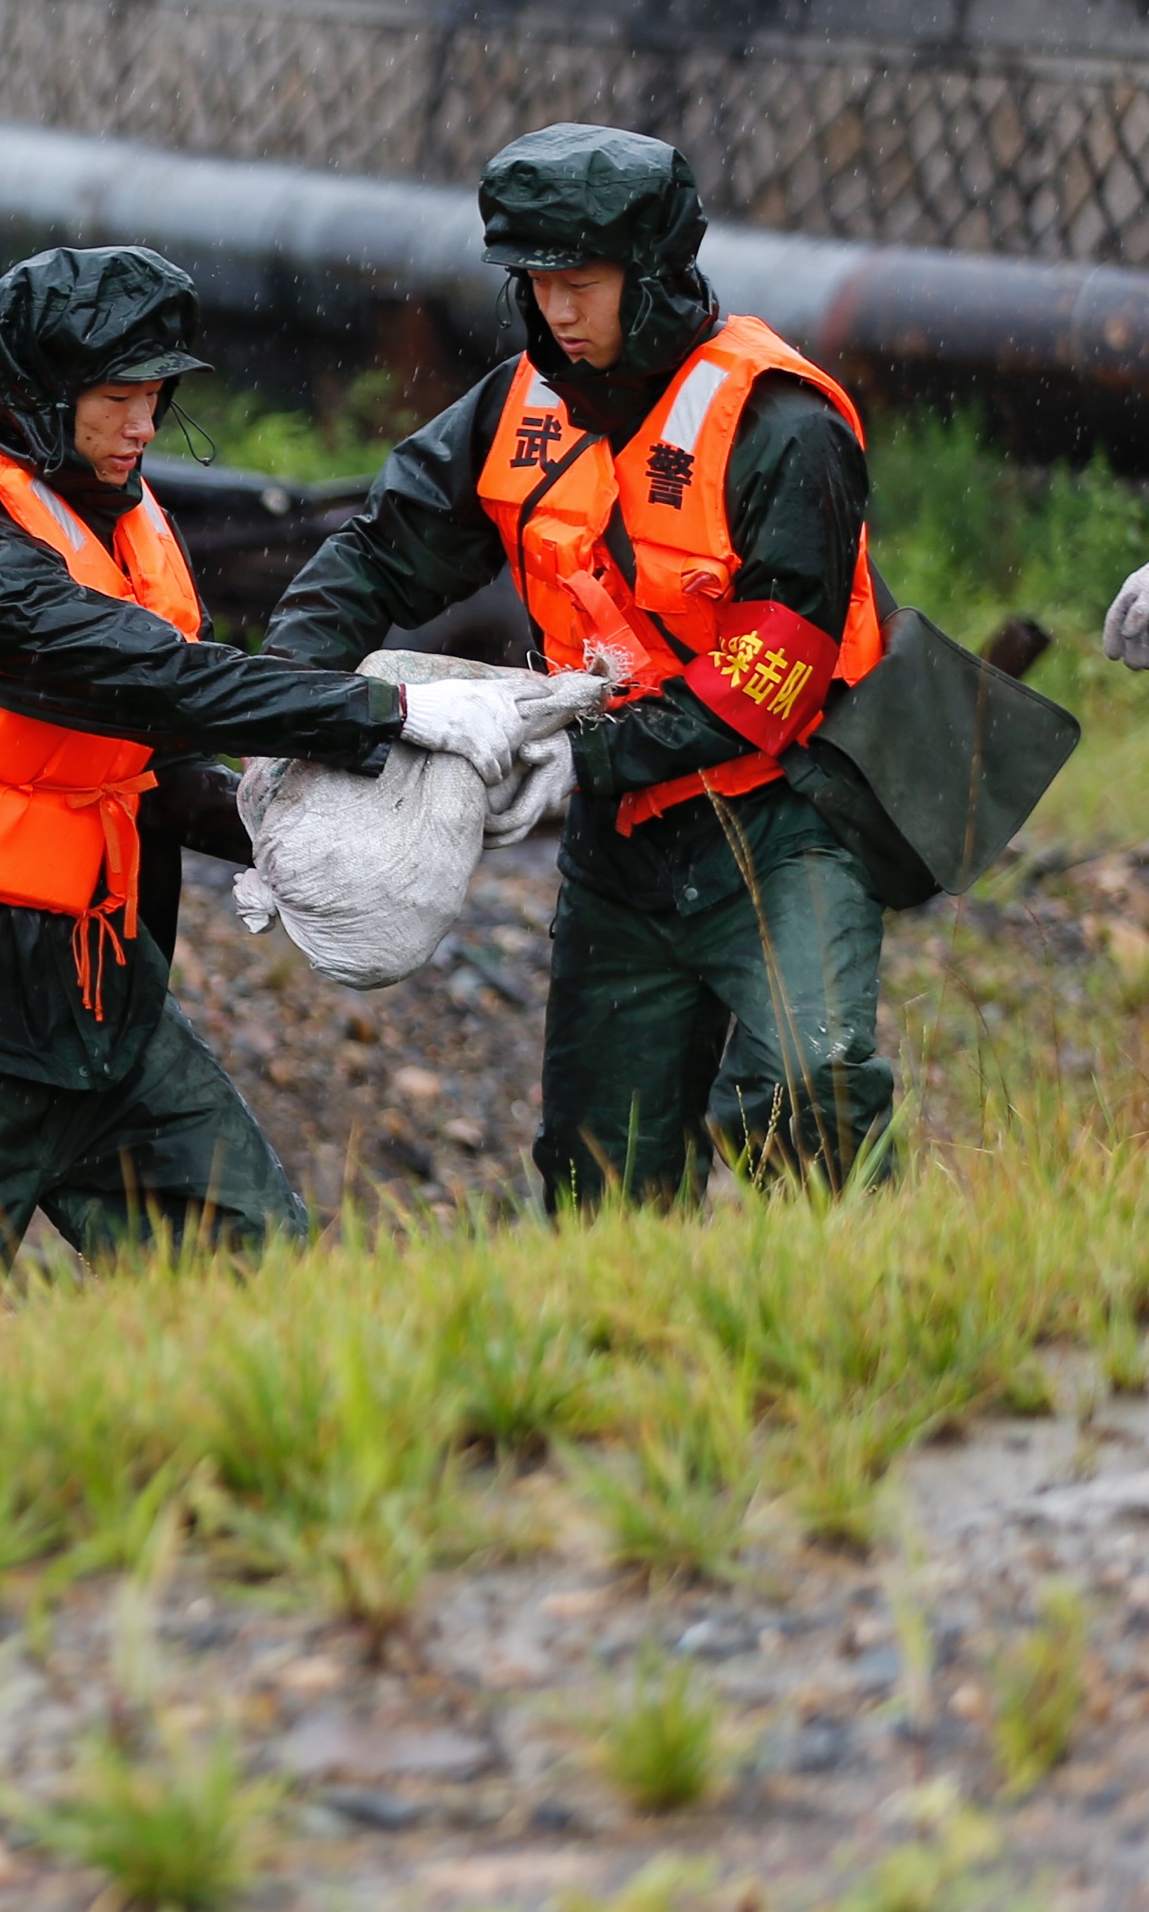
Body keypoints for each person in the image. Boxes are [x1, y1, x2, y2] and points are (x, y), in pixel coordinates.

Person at [0, 247, 517, 1294]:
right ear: (40, 397)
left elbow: (163, 766)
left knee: (255, 1272)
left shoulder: (129, 520)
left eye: (156, 396)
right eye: (118, 400)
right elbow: (166, 683)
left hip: (107, 995)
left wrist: (322, 838)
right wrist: (397, 712)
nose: (144, 426)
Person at [268, 123, 896, 1205]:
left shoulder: (779, 425)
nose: (556, 310)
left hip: (783, 822)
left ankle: (851, 1319)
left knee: (809, 1093)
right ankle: (622, 1346)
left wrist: (580, 762)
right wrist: (285, 693)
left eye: (582, 283)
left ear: (651, 275)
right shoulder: (516, 406)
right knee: (599, 1169)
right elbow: (381, 552)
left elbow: (770, 676)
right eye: (536, 282)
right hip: (620, 855)